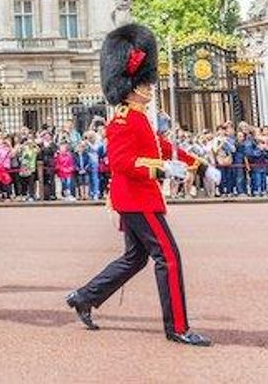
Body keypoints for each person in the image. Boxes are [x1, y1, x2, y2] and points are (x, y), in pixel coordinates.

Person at [66, 23, 211, 347]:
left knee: (135, 258)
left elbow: (161, 146)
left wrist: (196, 163)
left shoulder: (138, 116)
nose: (150, 86)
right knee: (168, 257)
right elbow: (120, 163)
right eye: (145, 81)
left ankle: (85, 297)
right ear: (132, 85)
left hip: (138, 198)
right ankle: (178, 327)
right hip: (136, 199)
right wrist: (163, 171)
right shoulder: (121, 119)